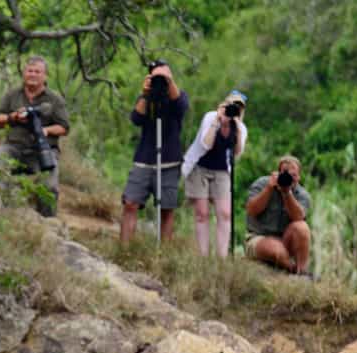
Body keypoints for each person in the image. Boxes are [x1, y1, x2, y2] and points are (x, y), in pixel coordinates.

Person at [120, 59, 189, 243]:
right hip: (144, 159)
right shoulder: (146, 98)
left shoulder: (179, 96)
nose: (160, 79)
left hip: (169, 161)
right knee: (130, 203)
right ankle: (124, 251)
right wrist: (145, 94)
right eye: (156, 76)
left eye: (164, 75)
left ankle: (163, 256)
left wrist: (168, 81)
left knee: (166, 208)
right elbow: (136, 119)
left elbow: (181, 108)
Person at [0, 56, 70, 217]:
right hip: (14, 148)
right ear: (24, 73)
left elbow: (64, 127)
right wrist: (12, 117)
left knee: (49, 187)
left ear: (45, 75)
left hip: (43, 150)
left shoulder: (54, 99)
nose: (33, 74)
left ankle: (49, 224)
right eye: (30, 71)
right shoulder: (13, 94)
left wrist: (45, 131)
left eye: (37, 71)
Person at [181, 90, 249, 257]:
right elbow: (206, 144)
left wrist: (238, 130)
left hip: (221, 171)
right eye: (232, 105)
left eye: (239, 107)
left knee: (225, 213)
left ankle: (222, 258)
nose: (235, 109)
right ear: (224, 104)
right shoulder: (211, 117)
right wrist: (218, 121)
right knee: (202, 214)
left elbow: (237, 154)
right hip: (199, 167)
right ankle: (203, 256)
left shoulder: (240, 128)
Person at [244, 155, 312, 275]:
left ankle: (302, 271)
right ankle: (293, 270)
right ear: (278, 173)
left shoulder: (302, 194)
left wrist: (287, 194)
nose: (289, 178)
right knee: (277, 251)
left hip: (285, 239)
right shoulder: (263, 184)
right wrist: (269, 189)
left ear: (299, 177)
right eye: (285, 174)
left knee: (302, 227)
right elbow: (251, 210)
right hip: (259, 237)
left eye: (293, 175)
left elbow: (298, 217)